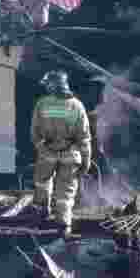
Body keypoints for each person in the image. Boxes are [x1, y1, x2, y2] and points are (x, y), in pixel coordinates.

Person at [30, 70, 92, 238]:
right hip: (70, 154)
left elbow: (34, 132)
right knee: (65, 193)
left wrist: (41, 148)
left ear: (52, 85)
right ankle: (63, 228)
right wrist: (86, 160)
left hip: (47, 153)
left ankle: (41, 218)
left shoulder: (42, 104)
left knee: (42, 184)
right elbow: (84, 137)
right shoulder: (77, 105)